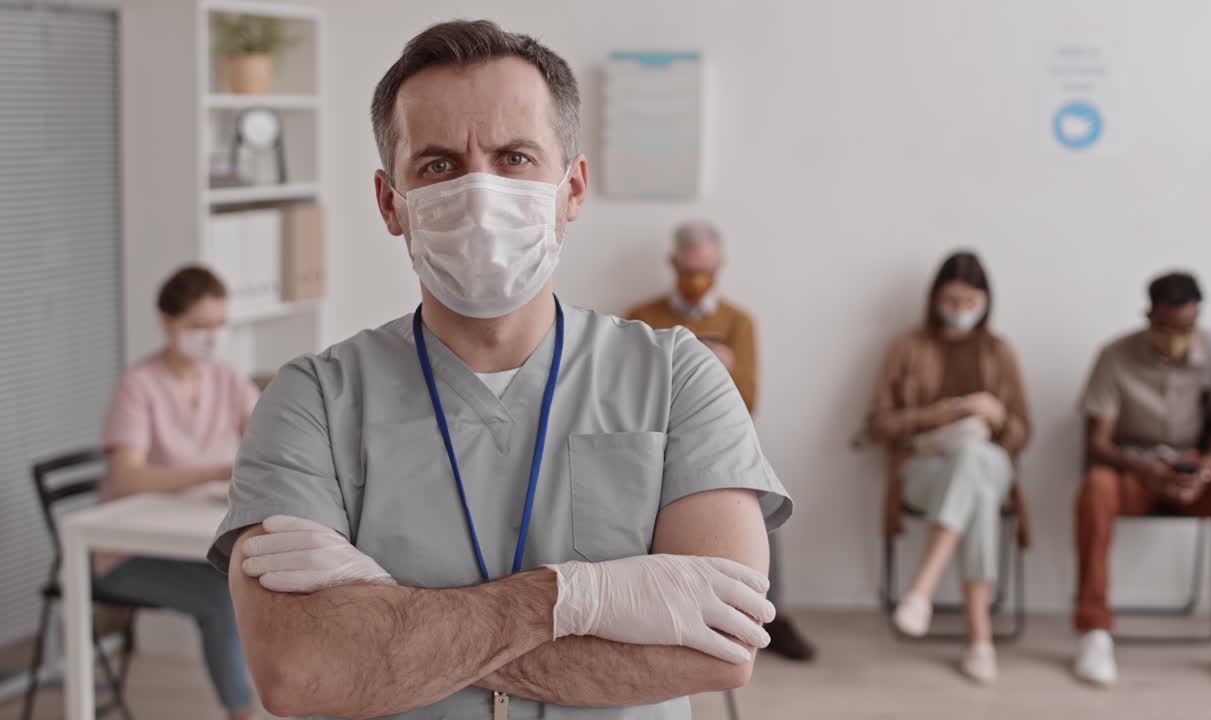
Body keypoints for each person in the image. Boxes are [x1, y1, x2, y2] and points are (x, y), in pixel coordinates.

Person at [207, 20, 791, 720]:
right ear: (390, 202)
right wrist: (576, 599)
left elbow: (720, 650)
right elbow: (299, 674)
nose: (480, 197)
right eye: (439, 165)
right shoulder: (311, 400)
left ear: (572, 189)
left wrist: (393, 622)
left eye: (514, 157)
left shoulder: (676, 379)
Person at [626, 219, 814, 662]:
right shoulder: (641, 316)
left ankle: (769, 611)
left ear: (721, 266)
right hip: (655, 432)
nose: (697, 279)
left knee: (757, 488)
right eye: (689, 269)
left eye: (706, 269)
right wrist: (708, 362)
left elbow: (747, 399)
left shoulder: (738, 321)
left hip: (717, 434)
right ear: (673, 264)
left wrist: (704, 368)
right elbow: (629, 391)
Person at [1075, 271, 1211, 689]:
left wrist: (1203, 471)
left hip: (1196, 468)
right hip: (1134, 469)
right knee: (1096, 488)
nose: (1177, 335)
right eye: (1166, 327)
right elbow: (1097, 442)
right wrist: (1144, 469)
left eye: (1186, 326)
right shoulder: (1115, 356)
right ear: (1149, 316)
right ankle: (1094, 630)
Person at [865, 251, 1032, 684]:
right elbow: (878, 425)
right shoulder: (909, 345)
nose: (960, 312)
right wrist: (945, 412)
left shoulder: (999, 351)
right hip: (925, 469)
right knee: (971, 478)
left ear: (986, 301)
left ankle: (922, 589)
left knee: (976, 458)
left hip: (991, 465)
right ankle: (979, 637)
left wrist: (996, 417)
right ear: (936, 298)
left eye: (969, 302)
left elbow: (1022, 433)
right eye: (952, 301)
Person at [99, 265, 258, 720]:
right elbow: (128, 476)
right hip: (125, 551)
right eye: (198, 327)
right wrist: (211, 471)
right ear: (168, 323)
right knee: (223, 598)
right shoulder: (139, 386)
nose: (210, 337)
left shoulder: (225, 379)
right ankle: (242, 713)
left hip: (193, 536)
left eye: (218, 325)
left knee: (264, 578)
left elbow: (268, 436)